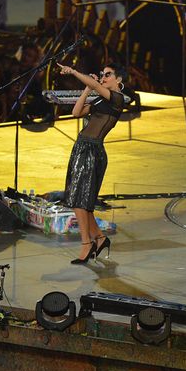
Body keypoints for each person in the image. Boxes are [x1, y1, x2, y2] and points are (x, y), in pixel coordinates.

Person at [57, 62, 126, 264]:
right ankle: (100, 238)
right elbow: (76, 113)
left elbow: (98, 88)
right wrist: (87, 89)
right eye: (102, 74)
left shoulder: (118, 99)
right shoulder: (99, 100)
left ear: (119, 79)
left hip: (92, 150)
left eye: (108, 74)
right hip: (81, 147)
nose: (103, 77)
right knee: (80, 199)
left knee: (80, 200)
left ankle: (87, 244)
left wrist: (74, 72)